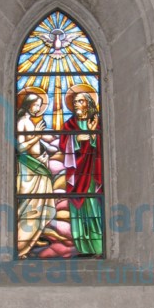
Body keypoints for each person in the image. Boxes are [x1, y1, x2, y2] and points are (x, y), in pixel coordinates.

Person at [61, 83, 103, 256]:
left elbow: (101, 146)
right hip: (76, 173)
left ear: (88, 103)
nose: (76, 104)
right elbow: (63, 144)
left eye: (80, 101)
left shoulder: (97, 122)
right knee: (77, 209)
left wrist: (93, 136)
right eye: (75, 101)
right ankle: (82, 248)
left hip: (92, 172)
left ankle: (98, 246)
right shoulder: (69, 124)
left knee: (93, 206)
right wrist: (77, 138)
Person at [16, 88, 57, 258]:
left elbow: (34, 144)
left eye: (40, 105)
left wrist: (45, 152)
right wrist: (37, 136)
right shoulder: (21, 122)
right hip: (28, 170)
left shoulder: (30, 122)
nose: (38, 109)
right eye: (36, 105)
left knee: (40, 206)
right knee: (30, 208)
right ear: (28, 105)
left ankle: (34, 236)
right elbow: (21, 148)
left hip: (37, 167)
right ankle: (22, 245)